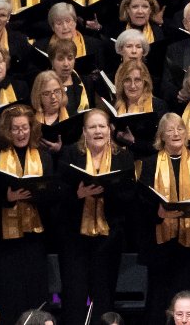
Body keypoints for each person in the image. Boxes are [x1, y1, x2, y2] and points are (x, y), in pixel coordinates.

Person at [139, 113, 190, 325]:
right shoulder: (149, 163)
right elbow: (140, 203)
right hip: (161, 247)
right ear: (161, 136)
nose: (176, 133)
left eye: (180, 128)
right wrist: (158, 213)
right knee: (159, 300)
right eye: (170, 130)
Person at [56, 109, 135, 324]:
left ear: (109, 130)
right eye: (92, 127)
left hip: (109, 238)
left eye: (102, 126)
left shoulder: (124, 156)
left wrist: (108, 191)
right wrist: (78, 194)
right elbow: (58, 194)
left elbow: (130, 198)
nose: (97, 131)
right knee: (74, 293)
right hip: (74, 238)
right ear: (84, 131)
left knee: (104, 292)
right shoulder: (71, 154)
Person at [0, 105, 56, 319]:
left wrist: (34, 195)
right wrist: (7, 198)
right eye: (15, 129)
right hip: (7, 240)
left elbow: (51, 192)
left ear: (31, 128)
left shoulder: (43, 157)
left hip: (35, 236)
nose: (21, 133)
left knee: (35, 293)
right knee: (10, 294)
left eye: (24, 128)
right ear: (7, 131)